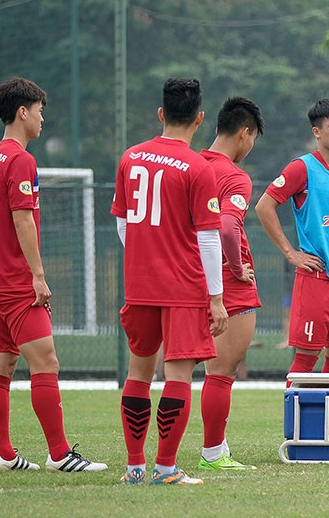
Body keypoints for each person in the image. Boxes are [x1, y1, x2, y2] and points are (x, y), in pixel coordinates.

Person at [0, 77, 107, 473]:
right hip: (15, 280)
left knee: (1, 368)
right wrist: (38, 275)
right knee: (46, 362)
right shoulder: (21, 159)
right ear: (23, 112)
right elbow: (22, 220)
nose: (42, 118)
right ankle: (59, 454)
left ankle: (3, 454)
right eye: (39, 111)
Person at [111, 77, 227, 486]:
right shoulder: (198, 167)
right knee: (178, 377)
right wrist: (216, 297)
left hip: (139, 284)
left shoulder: (130, 158)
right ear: (199, 119)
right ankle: (165, 468)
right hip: (182, 287)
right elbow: (209, 237)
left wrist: (146, 256)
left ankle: (133, 467)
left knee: (138, 373)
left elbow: (124, 225)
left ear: (161, 114)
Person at [255, 98, 329, 384]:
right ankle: (296, 426)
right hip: (316, 277)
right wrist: (290, 253)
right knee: (306, 358)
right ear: (317, 132)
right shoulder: (302, 169)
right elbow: (263, 206)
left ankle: (328, 426)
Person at [197, 96, 264, 471]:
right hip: (225, 283)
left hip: (186, 279)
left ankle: (215, 448)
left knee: (185, 372)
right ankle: (211, 453)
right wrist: (237, 267)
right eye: (252, 140)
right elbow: (226, 224)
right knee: (221, 374)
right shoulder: (233, 175)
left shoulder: (188, 164)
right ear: (244, 133)